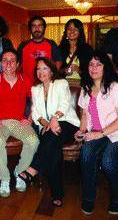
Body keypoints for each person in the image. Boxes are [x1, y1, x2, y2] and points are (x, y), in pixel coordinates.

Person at [74, 50, 118, 215]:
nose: (94, 68)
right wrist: (81, 131)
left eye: (98, 64)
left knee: (108, 161)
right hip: (99, 133)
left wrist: (99, 134)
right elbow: (84, 115)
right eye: (91, 64)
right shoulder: (86, 88)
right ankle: (89, 197)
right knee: (86, 153)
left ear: (105, 67)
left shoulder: (115, 88)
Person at [18, 57, 80, 207]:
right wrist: (46, 124)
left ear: (52, 71)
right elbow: (35, 113)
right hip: (47, 127)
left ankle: (33, 169)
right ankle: (57, 194)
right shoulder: (35, 89)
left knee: (52, 136)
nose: (41, 72)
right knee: (53, 148)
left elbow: (65, 103)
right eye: (38, 69)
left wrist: (54, 119)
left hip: (66, 123)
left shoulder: (61, 83)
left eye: (44, 68)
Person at [0, 48, 39, 197]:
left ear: (17, 64)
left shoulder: (26, 80)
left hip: (19, 122)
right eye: (5, 60)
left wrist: (29, 117)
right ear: (1, 63)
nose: (8, 63)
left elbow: (36, 102)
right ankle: (4, 178)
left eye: (12, 61)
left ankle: (20, 171)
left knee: (33, 141)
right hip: (0, 123)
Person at [18, 15, 61, 86]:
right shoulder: (23, 45)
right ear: (30, 29)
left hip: (46, 85)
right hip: (26, 86)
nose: (37, 29)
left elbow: (58, 62)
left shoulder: (51, 44)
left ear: (44, 28)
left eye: (40, 26)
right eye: (34, 26)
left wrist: (52, 78)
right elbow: (18, 65)